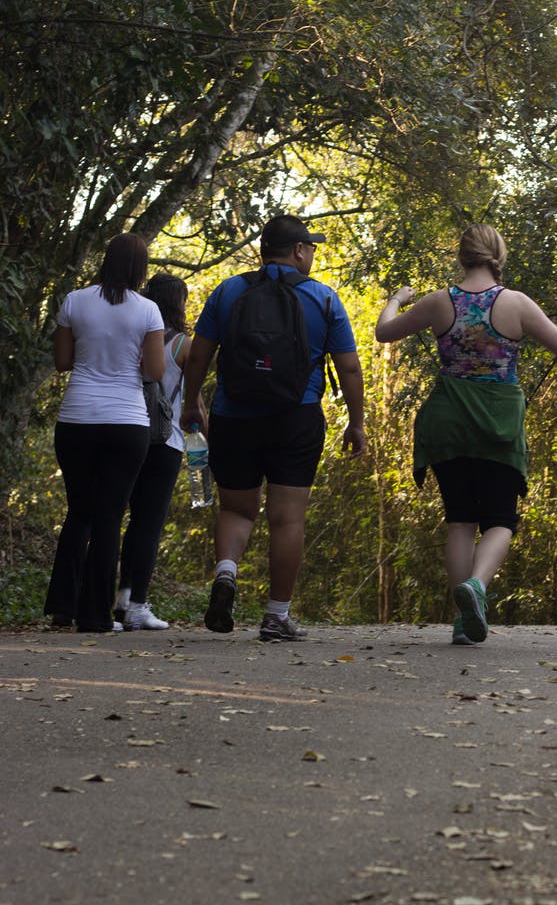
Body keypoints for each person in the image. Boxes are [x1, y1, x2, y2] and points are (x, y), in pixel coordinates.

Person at [375, 223, 557, 645]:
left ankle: (462, 622)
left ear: (462, 256)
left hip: (448, 421)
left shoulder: (439, 302)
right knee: (500, 518)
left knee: (459, 518)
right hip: (498, 423)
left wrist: (396, 300)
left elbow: (384, 332)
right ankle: (477, 585)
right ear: (499, 255)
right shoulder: (516, 303)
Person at [180, 213, 366, 641]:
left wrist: (191, 403)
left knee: (235, 509)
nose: (313, 254)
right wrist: (356, 423)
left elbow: (199, 355)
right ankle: (276, 616)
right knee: (287, 520)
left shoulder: (228, 291)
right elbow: (350, 367)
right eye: (311, 247)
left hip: (233, 415)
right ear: (299, 251)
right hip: (295, 419)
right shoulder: (323, 299)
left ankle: (227, 573)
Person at [44, 233, 166, 633]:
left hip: (77, 418)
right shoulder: (148, 310)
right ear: (140, 268)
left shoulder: (74, 301)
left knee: (79, 512)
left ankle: (63, 606)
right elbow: (153, 372)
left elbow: (62, 362)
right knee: (110, 516)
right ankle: (95, 616)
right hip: (126, 422)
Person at [114, 273, 207, 630]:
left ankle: (122, 600)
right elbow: (195, 400)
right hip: (166, 441)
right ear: (177, 303)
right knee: (148, 525)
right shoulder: (184, 345)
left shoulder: (134, 334)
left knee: (123, 521)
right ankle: (138, 604)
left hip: (127, 430)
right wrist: (205, 441)